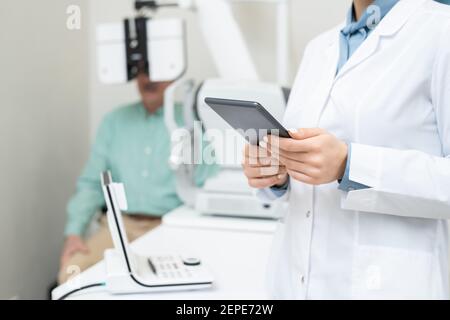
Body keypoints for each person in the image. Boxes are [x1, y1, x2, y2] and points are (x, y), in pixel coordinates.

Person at [242, 0, 450, 299]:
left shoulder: (441, 30)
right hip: (293, 280)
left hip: (387, 284)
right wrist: (277, 174)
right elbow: (306, 166)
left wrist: (350, 166)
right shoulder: (319, 47)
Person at [58, 73, 218, 284]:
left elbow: (208, 184)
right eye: (143, 71)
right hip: (120, 226)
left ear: (172, 75)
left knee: (161, 283)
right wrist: (74, 234)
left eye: (156, 72)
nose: (148, 79)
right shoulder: (114, 122)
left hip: (168, 226)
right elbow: (91, 184)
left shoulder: (191, 122)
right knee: (72, 273)